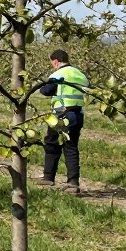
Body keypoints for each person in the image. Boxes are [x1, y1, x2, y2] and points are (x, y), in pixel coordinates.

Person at [38, 48, 88, 194]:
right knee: (71, 146)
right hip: (78, 114)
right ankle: (73, 182)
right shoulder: (80, 74)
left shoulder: (59, 74)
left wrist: (42, 87)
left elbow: (47, 90)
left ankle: (48, 176)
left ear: (55, 61)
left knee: (52, 143)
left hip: (61, 113)